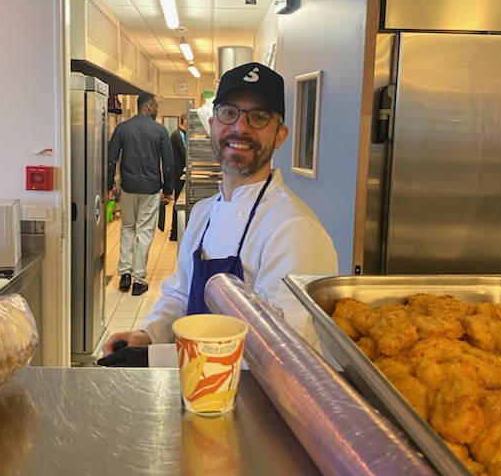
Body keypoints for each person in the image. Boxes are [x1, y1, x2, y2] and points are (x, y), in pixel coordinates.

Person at [102, 62, 337, 352]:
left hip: (243, 382)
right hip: (194, 374)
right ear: (212, 125)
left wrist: (160, 357)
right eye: (228, 112)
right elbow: (181, 293)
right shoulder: (203, 213)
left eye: (259, 117)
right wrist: (148, 335)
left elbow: (279, 353)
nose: (240, 127)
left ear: (280, 135)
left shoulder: (296, 230)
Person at [107, 92, 174, 296]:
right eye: (156, 107)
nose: (157, 111)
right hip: (151, 189)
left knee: (127, 228)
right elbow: (168, 164)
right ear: (149, 106)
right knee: (144, 232)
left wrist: (109, 185)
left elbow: (111, 159)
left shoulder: (123, 128)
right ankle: (138, 280)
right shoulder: (160, 130)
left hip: (128, 187)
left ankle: (124, 274)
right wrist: (168, 190)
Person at [168, 112, 187, 242]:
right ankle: (174, 233)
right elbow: (184, 152)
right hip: (178, 173)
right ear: (185, 121)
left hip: (180, 172)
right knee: (178, 203)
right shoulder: (178, 134)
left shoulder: (182, 134)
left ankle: (176, 231)